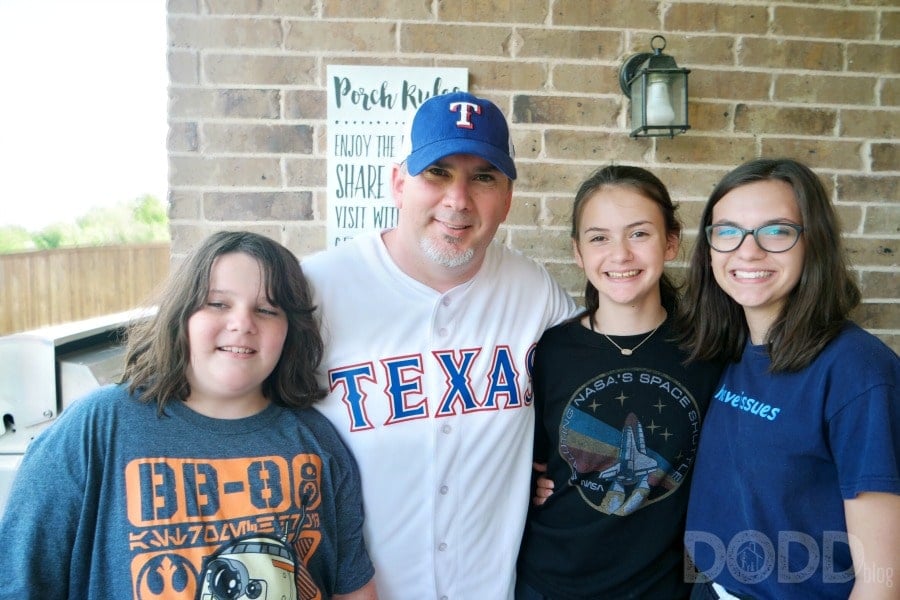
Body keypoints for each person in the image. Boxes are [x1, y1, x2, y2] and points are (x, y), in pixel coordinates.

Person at [301, 91, 577, 599]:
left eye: (483, 178)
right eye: (438, 173)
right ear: (399, 182)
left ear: (508, 197)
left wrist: (558, 463)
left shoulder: (534, 290)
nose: (458, 199)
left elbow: (594, 375)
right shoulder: (315, 290)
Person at [0, 231, 377, 600]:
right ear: (183, 314)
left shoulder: (317, 441)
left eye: (266, 309)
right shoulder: (98, 427)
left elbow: (353, 589)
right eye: (218, 304)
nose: (243, 323)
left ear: (289, 331)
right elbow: (19, 582)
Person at [676, 158, 900, 599]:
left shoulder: (858, 372)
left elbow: (882, 580)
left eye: (776, 230)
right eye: (727, 231)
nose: (747, 250)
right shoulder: (727, 347)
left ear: (812, 242)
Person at [515, 165, 723, 599]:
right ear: (578, 252)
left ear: (671, 241)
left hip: (662, 588)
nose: (621, 254)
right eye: (599, 237)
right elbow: (519, 451)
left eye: (639, 234)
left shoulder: (709, 351)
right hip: (551, 583)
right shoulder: (548, 351)